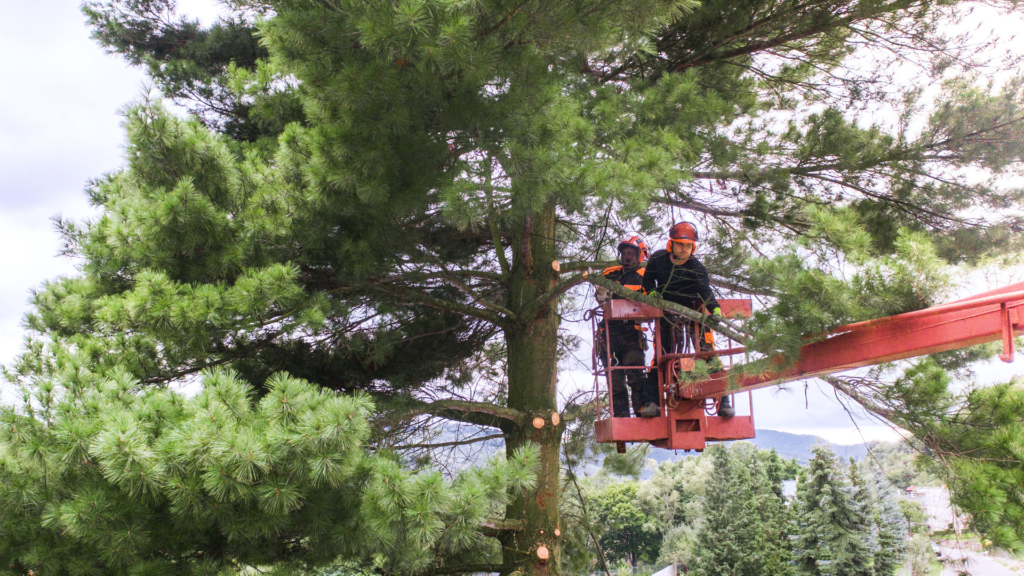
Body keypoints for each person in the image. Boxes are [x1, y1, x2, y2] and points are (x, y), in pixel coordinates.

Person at [641, 222, 733, 418]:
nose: (684, 250)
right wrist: (653, 292)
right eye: (680, 245)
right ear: (671, 245)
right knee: (663, 356)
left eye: (688, 246)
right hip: (666, 313)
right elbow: (648, 280)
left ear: (693, 247)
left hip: (694, 314)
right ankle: (651, 402)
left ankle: (724, 401)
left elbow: (706, 292)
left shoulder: (697, 268)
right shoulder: (658, 260)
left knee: (708, 353)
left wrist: (715, 310)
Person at [596, 236, 650, 417]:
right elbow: (600, 293)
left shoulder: (645, 276)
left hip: (631, 333)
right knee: (615, 381)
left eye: (631, 253)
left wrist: (620, 295)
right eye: (625, 253)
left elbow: (645, 301)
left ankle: (642, 414)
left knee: (636, 376)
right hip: (609, 333)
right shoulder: (610, 272)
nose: (627, 257)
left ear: (640, 255)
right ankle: (621, 418)